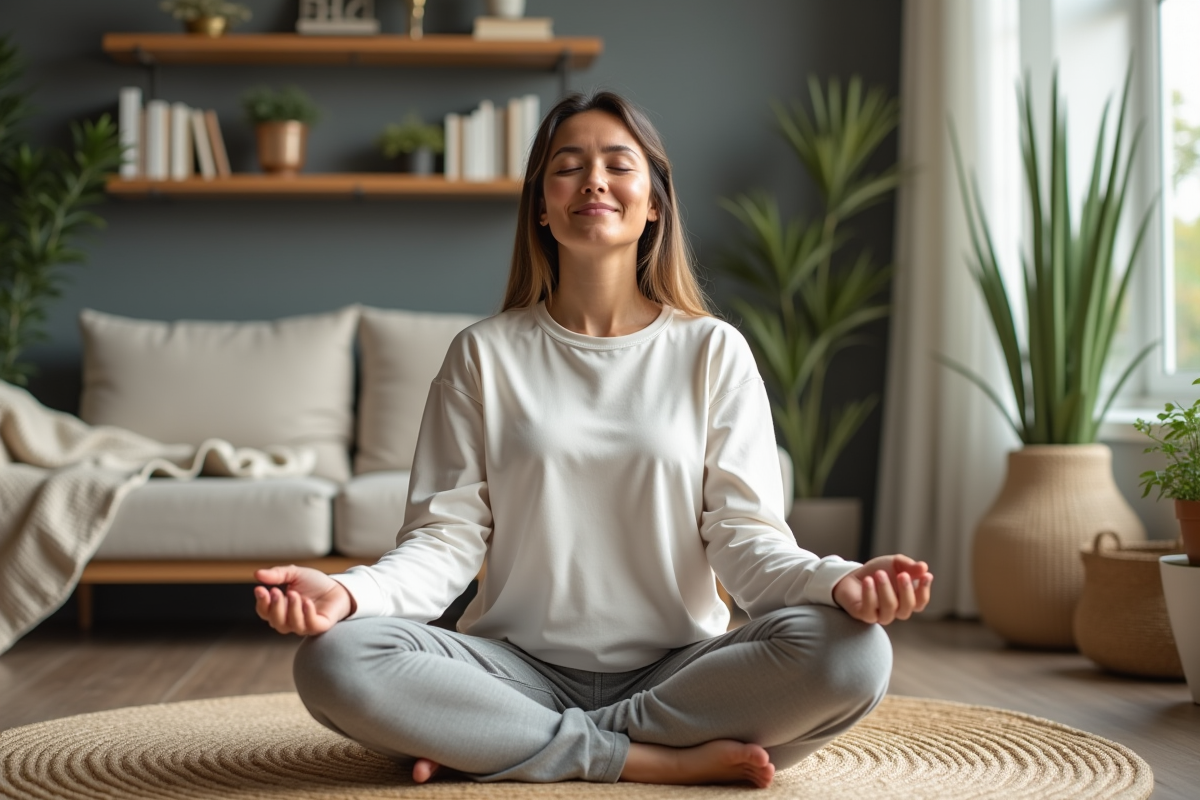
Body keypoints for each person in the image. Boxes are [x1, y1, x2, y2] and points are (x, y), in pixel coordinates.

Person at [253, 91, 933, 789]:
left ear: (655, 203)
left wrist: (838, 582)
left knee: (853, 655)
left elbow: (745, 539)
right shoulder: (483, 354)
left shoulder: (711, 351)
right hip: (513, 668)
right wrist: (349, 595)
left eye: (618, 164)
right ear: (541, 208)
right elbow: (444, 541)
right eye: (568, 167)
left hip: (680, 669)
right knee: (335, 658)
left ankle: (498, 744)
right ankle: (649, 761)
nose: (594, 181)